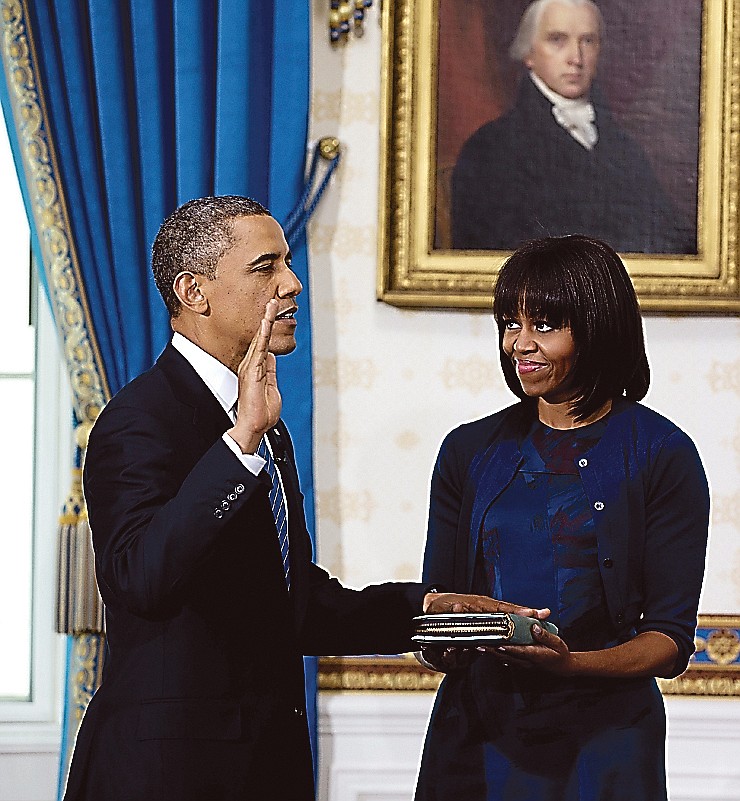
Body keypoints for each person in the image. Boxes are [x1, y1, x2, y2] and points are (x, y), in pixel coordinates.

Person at [63, 195, 499, 801]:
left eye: (287, 265)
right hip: (165, 776)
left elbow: (292, 606)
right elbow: (141, 578)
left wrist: (431, 612)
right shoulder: (138, 420)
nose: (292, 284)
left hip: (264, 769)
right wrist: (240, 442)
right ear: (194, 291)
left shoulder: (267, 424)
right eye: (265, 268)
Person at [414, 235, 709, 800]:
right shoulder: (468, 450)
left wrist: (570, 665)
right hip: (477, 737)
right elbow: (438, 605)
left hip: (605, 744)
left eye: (544, 325)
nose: (519, 345)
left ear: (597, 327)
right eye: (510, 323)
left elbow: (670, 641)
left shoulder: (661, 453)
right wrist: (442, 636)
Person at [451, 0, 693, 253]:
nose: (576, 58)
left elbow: (667, 233)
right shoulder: (490, 147)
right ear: (528, 53)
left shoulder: (623, 147)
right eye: (557, 40)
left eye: (587, 41)